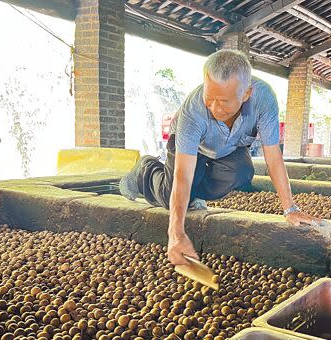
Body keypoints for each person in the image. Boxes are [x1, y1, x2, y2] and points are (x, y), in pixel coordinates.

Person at [119, 50, 319, 265]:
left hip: (227, 148)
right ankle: (145, 170)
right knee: (174, 198)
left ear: (246, 94)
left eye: (223, 101)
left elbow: (273, 156)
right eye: (209, 98)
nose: (214, 108)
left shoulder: (264, 100)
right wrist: (176, 234)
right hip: (192, 148)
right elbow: (183, 176)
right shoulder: (192, 112)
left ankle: (194, 195)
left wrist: (290, 209)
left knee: (242, 173)